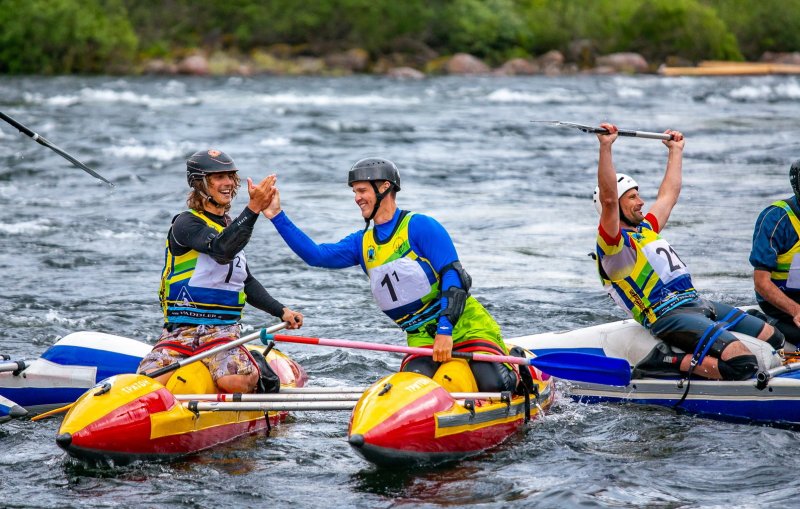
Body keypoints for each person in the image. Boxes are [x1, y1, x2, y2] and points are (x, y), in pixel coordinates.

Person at [261, 157, 519, 393]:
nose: (356, 198)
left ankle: (519, 367)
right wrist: (276, 215)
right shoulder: (361, 243)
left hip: (465, 328)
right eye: (354, 192)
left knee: (493, 384)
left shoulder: (420, 226)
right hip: (419, 339)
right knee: (413, 389)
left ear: (384, 187)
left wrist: (445, 330)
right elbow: (315, 255)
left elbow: (455, 277)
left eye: (362, 191)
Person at [593, 123, 783, 381]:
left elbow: (668, 195)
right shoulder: (613, 246)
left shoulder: (645, 229)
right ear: (615, 206)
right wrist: (606, 147)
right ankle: (666, 361)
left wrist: (676, 151)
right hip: (668, 316)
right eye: (632, 197)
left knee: (776, 337)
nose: (641, 202)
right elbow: (607, 199)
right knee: (743, 364)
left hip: (697, 304)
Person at [138, 149, 303, 393]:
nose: (227, 183)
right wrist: (253, 208)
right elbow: (220, 249)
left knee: (232, 382)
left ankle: (257, 366)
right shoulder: (186, 223)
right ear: (199, 184)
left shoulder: (232, 228)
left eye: (230, 177)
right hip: (179, 332)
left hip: (222, 332)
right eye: (218, 177)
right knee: (149, 385)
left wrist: (281, 311)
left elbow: (245, 281)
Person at [749, 160, 800, 348]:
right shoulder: (776, 218)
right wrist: (796, 311)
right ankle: (759, 320)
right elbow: (761, 283)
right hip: (780, 306)